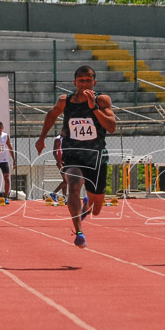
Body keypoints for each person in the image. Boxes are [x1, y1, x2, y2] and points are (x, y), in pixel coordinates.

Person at [34, 65, 116, 248]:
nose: (84, 84)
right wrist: (41, 138)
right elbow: (51, 115)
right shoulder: (66, 101)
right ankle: (79, 231)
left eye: (88, 80)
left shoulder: (102, 100)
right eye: (81, 81)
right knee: (73, 186)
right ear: (74, 82)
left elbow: (111, 127)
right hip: (73, 153)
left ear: (94, 82)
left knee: (96, 208)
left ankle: (88, 205)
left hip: (96, 156)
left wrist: (93, 108)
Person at [49, 134, 68, 202]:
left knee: (65, 181)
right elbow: (54, 152)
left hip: (66, 161)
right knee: (66, 181)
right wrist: (59, 163)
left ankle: (64, 198)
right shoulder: (58, 139)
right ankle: (54, 193)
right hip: (61, 162)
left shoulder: (68, 138)